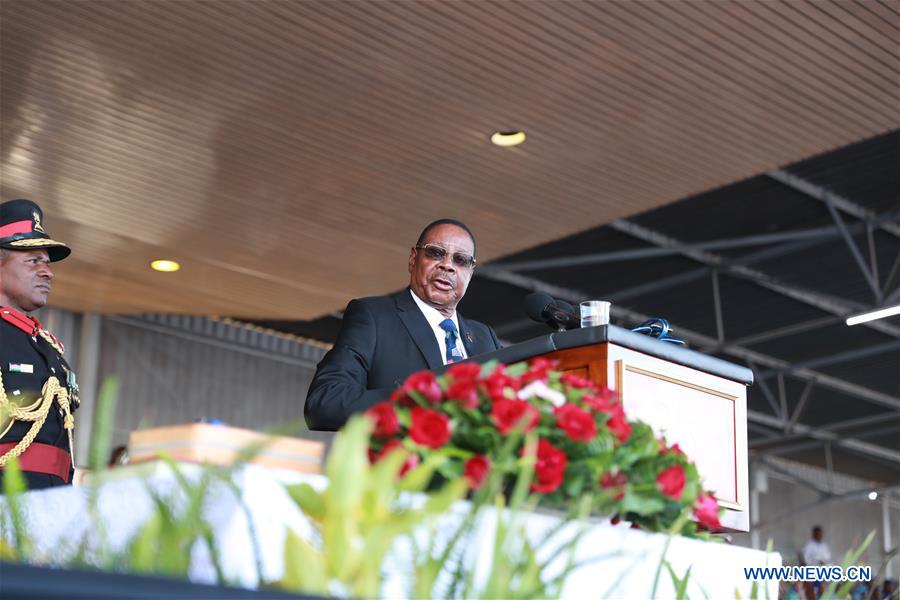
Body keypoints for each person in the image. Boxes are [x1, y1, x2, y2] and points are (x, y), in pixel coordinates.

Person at [305, 219, 501, 431]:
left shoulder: (484, 337)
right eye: (435, 253)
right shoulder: (374, 316)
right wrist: (415, 401)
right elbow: (325, 402)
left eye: (461, 260)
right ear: (413, 259)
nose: (448, 265)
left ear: (470, 273)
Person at [0, 199, 79, 490]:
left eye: (46, 262)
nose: (48, 272)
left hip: (55, 499)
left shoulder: (49, 348)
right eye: (33, 261)